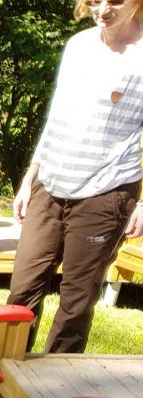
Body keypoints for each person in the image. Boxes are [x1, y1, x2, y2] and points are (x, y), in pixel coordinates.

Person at [9, 0, 143, 354]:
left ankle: (55, 385)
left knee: (76, 302)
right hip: (50, 183)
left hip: (107, 191)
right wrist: (30, 177)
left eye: (115, 1)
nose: (103, 10)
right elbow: (57, 115)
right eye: (94, 1)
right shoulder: (79, 45)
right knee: (22, 289)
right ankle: (1, 378)